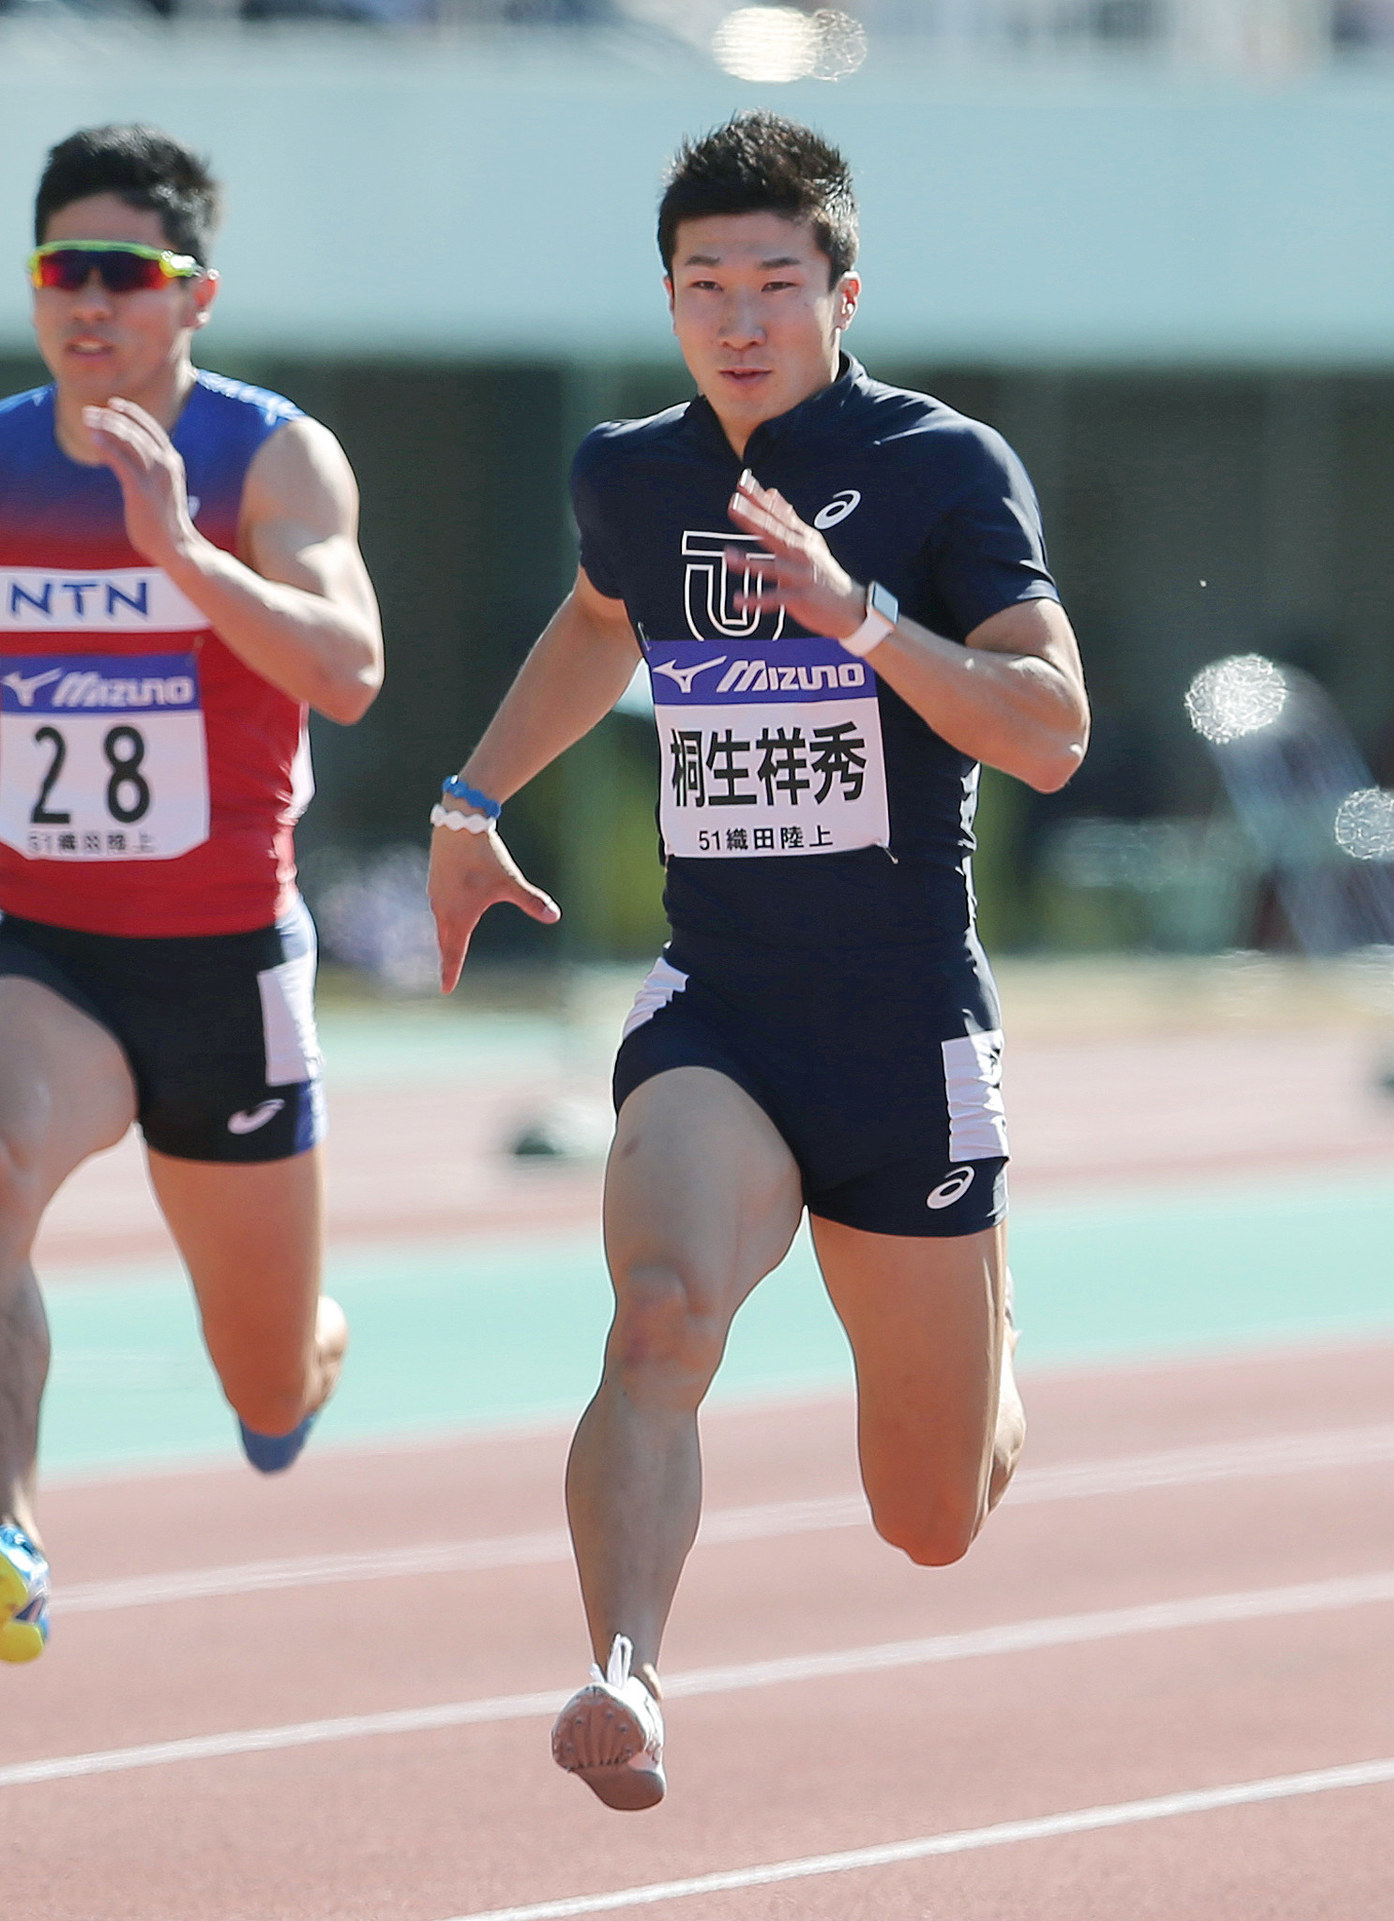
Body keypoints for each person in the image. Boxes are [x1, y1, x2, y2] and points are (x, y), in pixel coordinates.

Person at [427, 110, 1088, 1809]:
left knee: (931, 1515)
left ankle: (993, 1333)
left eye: (774, 283)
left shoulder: (946, 467)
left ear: (842, 293)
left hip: (901, 1023)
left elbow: (1052, 733)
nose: (739, 316)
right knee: (658, 1319)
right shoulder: (630, 474)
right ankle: (627, 1672)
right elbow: (599, 617)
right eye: (704, 284)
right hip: (718, 1008)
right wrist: (471, 793)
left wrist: (856, 614)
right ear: (669, 303)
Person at [0, 125, 383, 1665]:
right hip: (45, 952)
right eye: (60, 270)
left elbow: (350, 672)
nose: (89, 302)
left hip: (223, 966)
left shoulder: (267, 456)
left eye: (126, 273)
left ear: (195, 296)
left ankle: (305, 1348)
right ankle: (11, 1528)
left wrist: (183, 560)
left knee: (270, 1377)